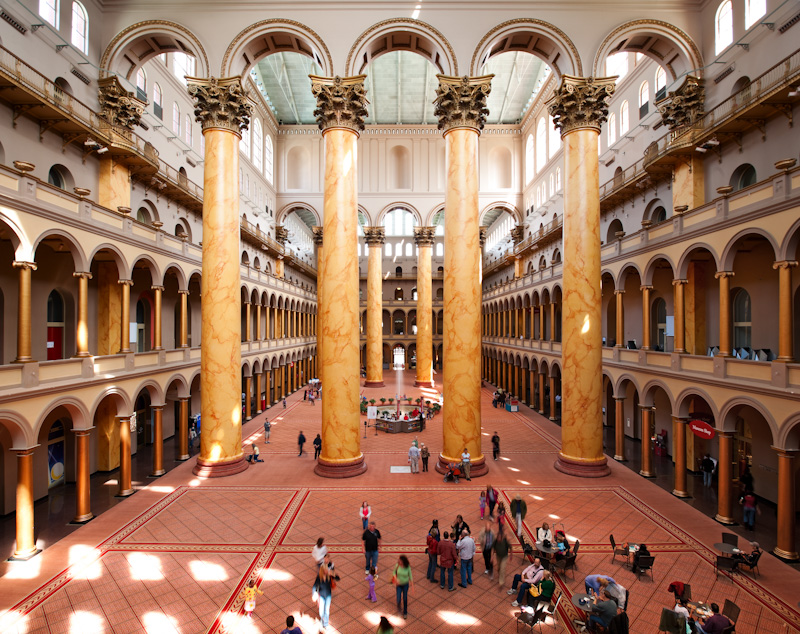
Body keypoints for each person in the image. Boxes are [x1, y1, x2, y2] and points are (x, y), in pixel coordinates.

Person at [311, 564, 338, 631]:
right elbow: (314, 586)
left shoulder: (329, 576)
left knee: (327, 610)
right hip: (321, 596)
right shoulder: (319, 577)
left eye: (327, 569)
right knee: (321, 611)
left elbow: (338, 578)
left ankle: (325, 624)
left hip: (328, 595)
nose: (326, 571)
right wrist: (314, 593)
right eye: (325, 569)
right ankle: (322, 619)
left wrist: (333, 574)